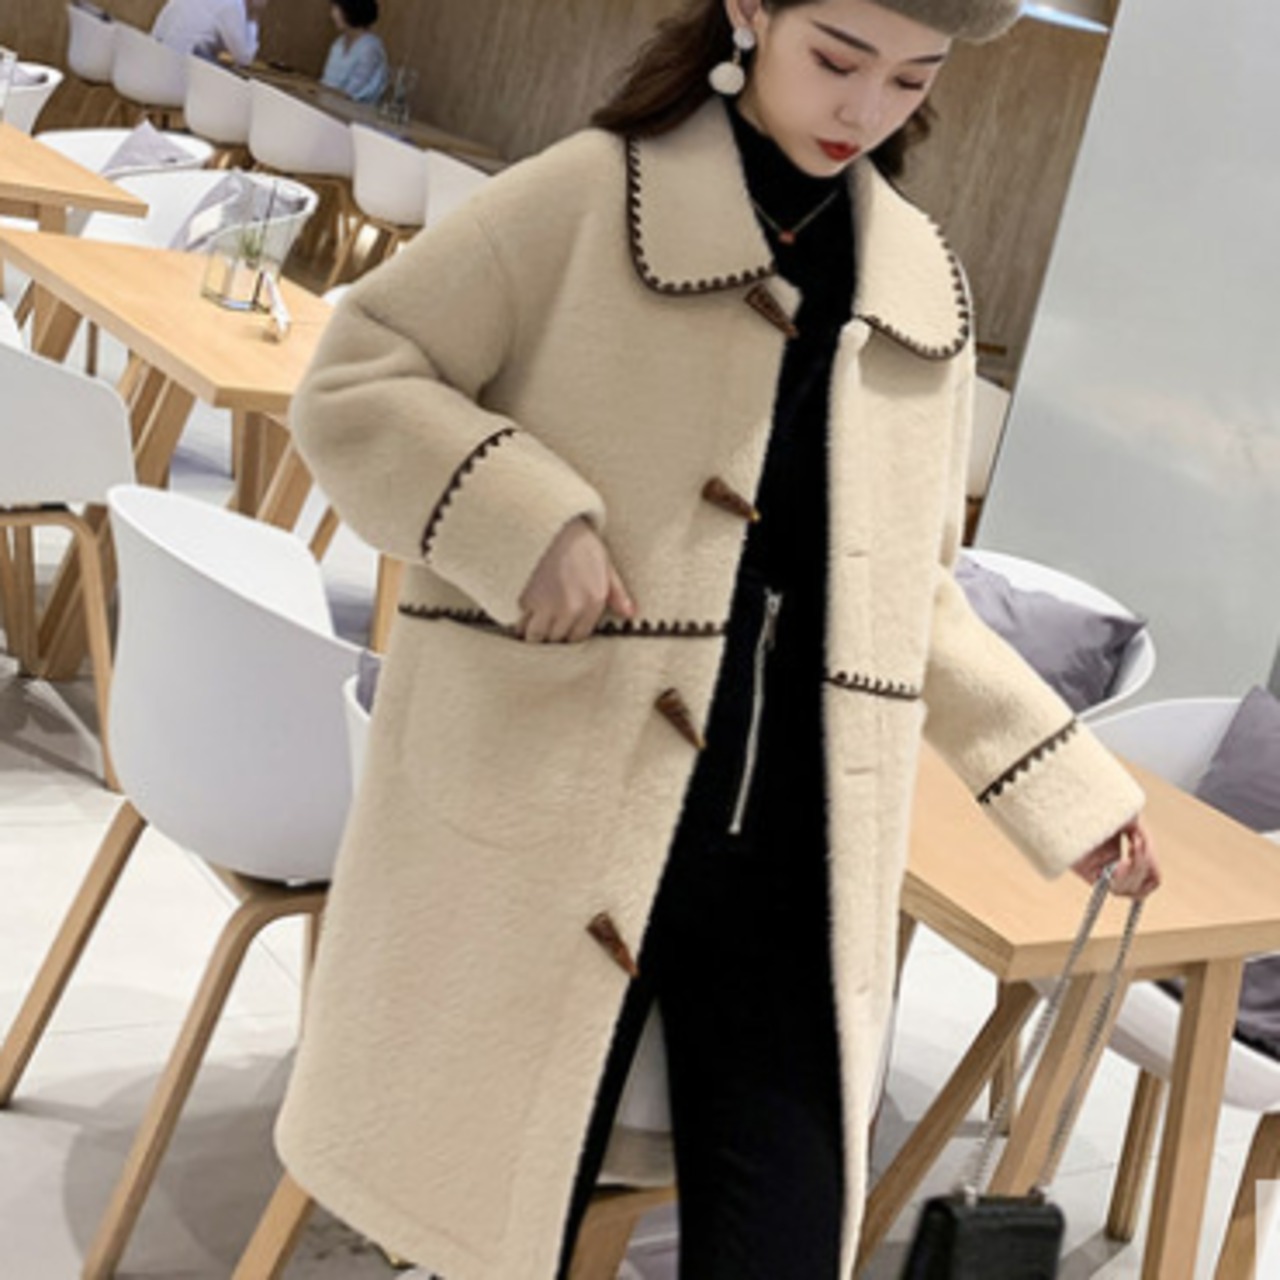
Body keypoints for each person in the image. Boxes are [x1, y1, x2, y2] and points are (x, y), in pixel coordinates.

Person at [275, 1, 1162, 1278]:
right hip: (560, 809)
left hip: (796, 844)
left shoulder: (919, 283)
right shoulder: (590, 195)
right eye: (835, 60)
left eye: (909, 81)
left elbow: (907, 592)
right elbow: (358, 373)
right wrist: (526, 519)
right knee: (492, 1218)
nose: (863, 111)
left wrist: (1061, 784)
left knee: (784, 1237)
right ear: (750, 10)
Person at [151, 0, 267, 67]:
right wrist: (253, 17)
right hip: (181, 71)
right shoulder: (233, 5)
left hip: (153, 61)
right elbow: (244, 57)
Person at [320, 0, 389, 105]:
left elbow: (350, 92)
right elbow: (327, 82)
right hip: (327, 104)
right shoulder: (338, 44)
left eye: (338, 9)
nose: (333, 14)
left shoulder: (370, 47)